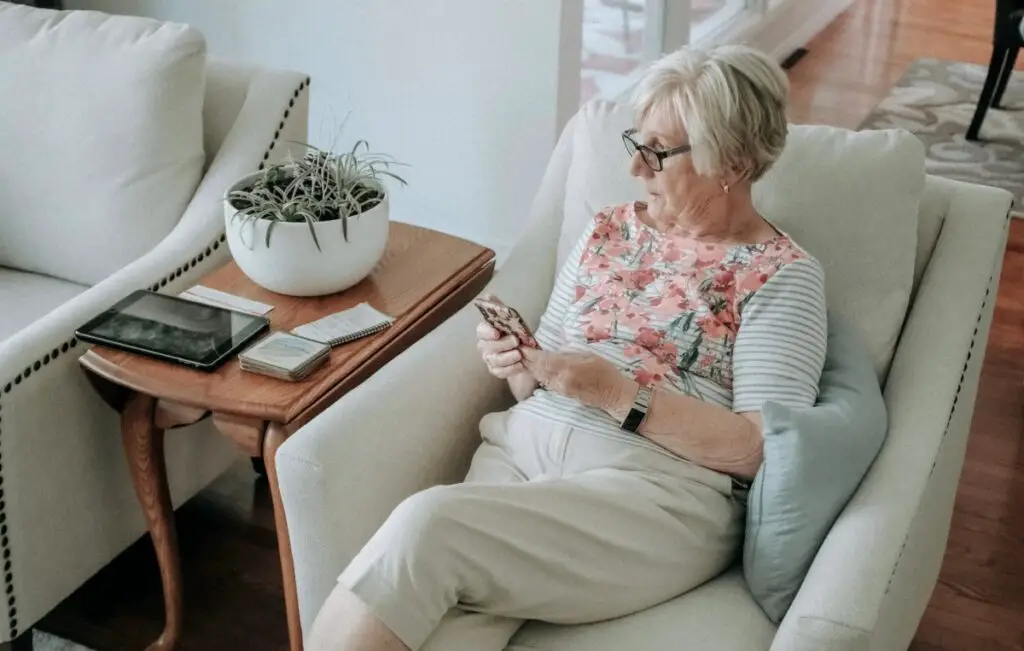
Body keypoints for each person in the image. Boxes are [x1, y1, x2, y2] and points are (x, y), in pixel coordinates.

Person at [308, 43, 828, 651]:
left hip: (652, 499)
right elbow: (541, 378)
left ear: (732, 161)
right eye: (638, 144)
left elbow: (760, 451)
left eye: (658, 152)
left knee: (428, 527)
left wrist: (616, 393)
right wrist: (518, 361)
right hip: (520, 456)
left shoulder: (782, 275)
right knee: (444, 632)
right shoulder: (610, 228)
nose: (637, 169)